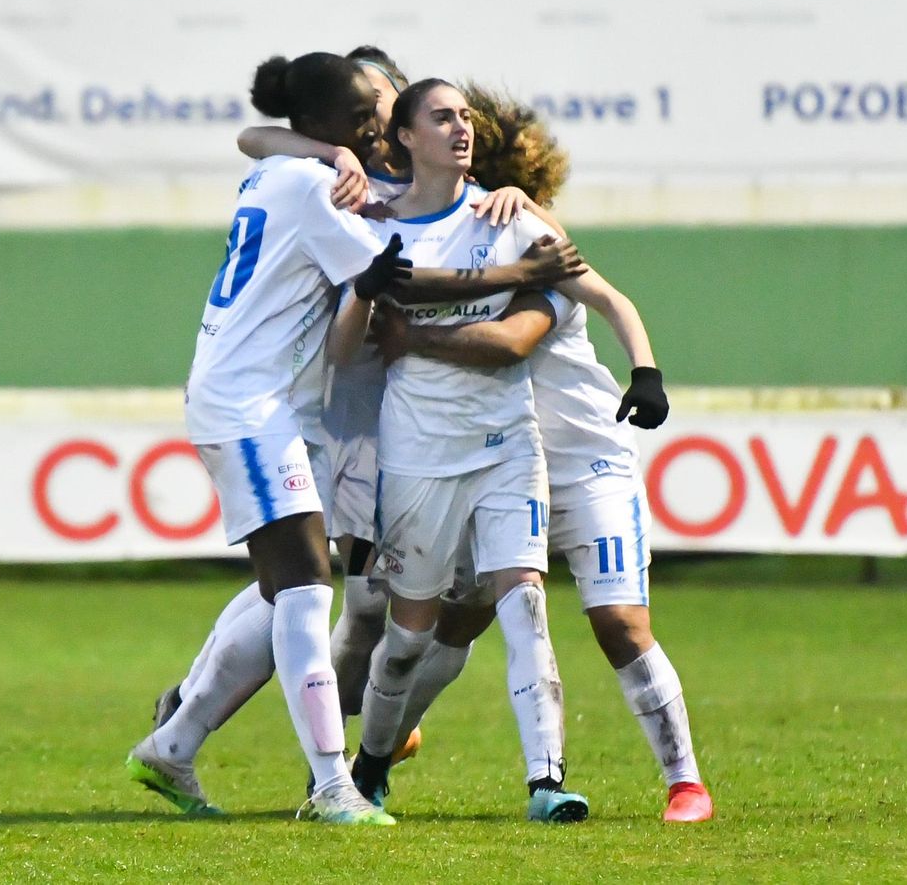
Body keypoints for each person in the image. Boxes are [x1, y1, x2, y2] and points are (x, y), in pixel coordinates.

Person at [125, 52, 581, 826]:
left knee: (298, 591)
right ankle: (332, 779)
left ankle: (183, 735)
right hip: (286, 410)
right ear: (345, 123)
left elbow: (264, 144)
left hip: (301, 408)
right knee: (316, 592)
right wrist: (509, 276)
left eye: (382, 113)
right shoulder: (323, 185)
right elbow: (392, 274)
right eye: (366, 116)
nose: (375, 129)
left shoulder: (315, 177)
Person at [367, 227, 714, 824]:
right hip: (506, 465)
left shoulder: (540, 270)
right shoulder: (475, 265)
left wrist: (410, 337)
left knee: (620, 622)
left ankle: (685, 784)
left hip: (587, 467)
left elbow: (511, 341)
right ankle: (394, 738)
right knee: (460, 618)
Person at [327, 77, 595, 823]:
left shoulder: (506, 217)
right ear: (405, 137)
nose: (460, 127)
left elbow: (569, 281)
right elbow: (347, 349)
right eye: (441, 117)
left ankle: (547, 782)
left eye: (465, 117)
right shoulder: (375, 230)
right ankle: (371, 766)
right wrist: (367, 298)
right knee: (407, 640)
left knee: (527, 604)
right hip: (418, 455)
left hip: (508, 443)